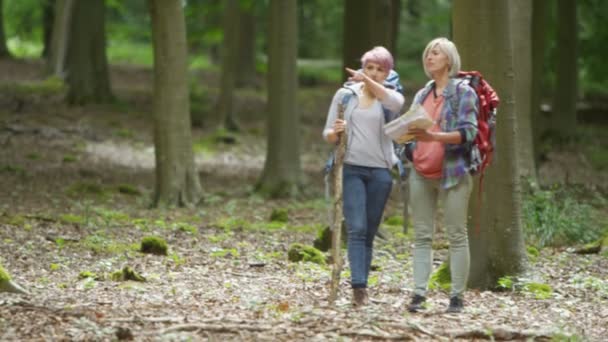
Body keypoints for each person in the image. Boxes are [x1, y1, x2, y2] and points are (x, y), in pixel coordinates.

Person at [323, 46, 405, 307]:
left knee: (369, 231)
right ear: (363, 67)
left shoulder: (391, 97)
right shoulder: (345, 95)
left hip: (381, 171)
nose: (374, 72)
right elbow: (328, 135)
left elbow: (396, 103)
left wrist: (367, 80)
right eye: (369, 67)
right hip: (351, 168)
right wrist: (336, 132)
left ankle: (362, 284)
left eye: (380, 69)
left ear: (387, 73)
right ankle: (359, 289)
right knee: (356, 228)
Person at [404, 37, 478, 313]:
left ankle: (457, 297)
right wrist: (406, 141)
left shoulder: (464, 92)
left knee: (456, 235)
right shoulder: (423, 93)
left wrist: (433, 136)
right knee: (422, 236)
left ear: (449, 59)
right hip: (420, 172)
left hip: (454, 173)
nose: (429, 57)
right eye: (427, 53)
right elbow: (413, 127)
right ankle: (418, 295)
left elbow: (469, 133)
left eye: (435, 53)